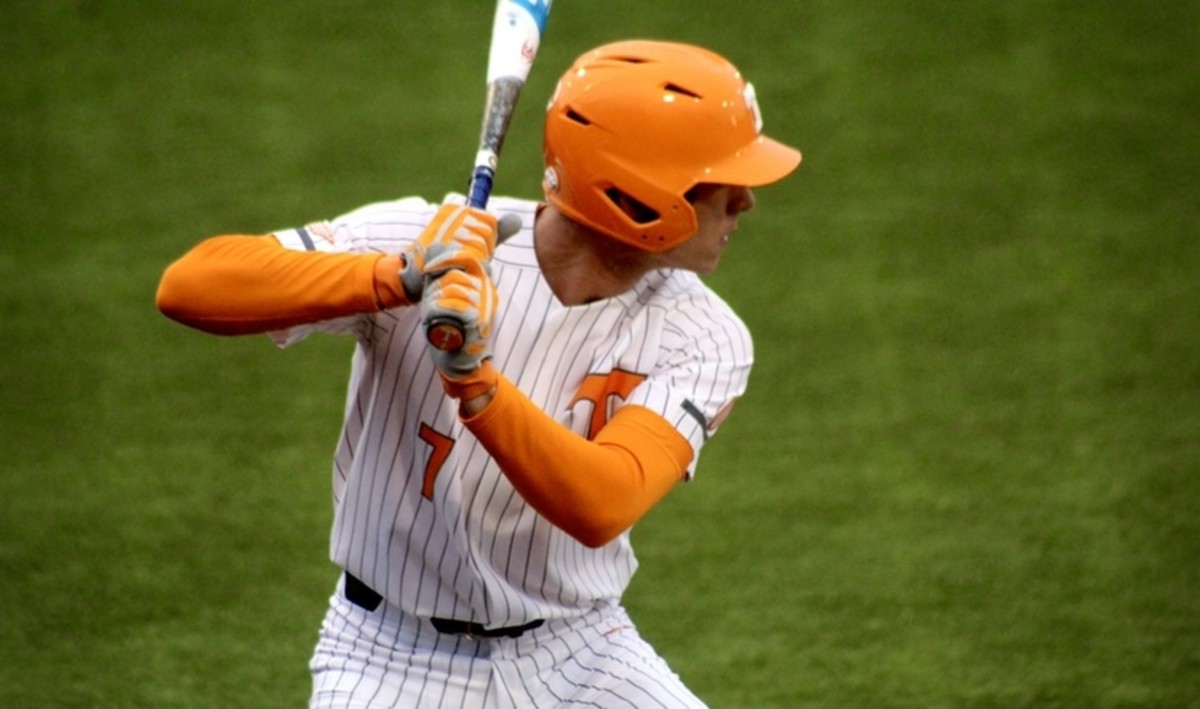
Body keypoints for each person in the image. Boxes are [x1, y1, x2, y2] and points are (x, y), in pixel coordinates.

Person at [157, 39, 801, 709]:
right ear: (640, 192)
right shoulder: (427, 238)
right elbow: (189, 285)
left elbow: (601, 502)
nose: (746, 203)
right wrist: (397, 277)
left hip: (581, 653)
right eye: (722, 182)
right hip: (386, 657)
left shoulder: (704, 334)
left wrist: (474, 380)